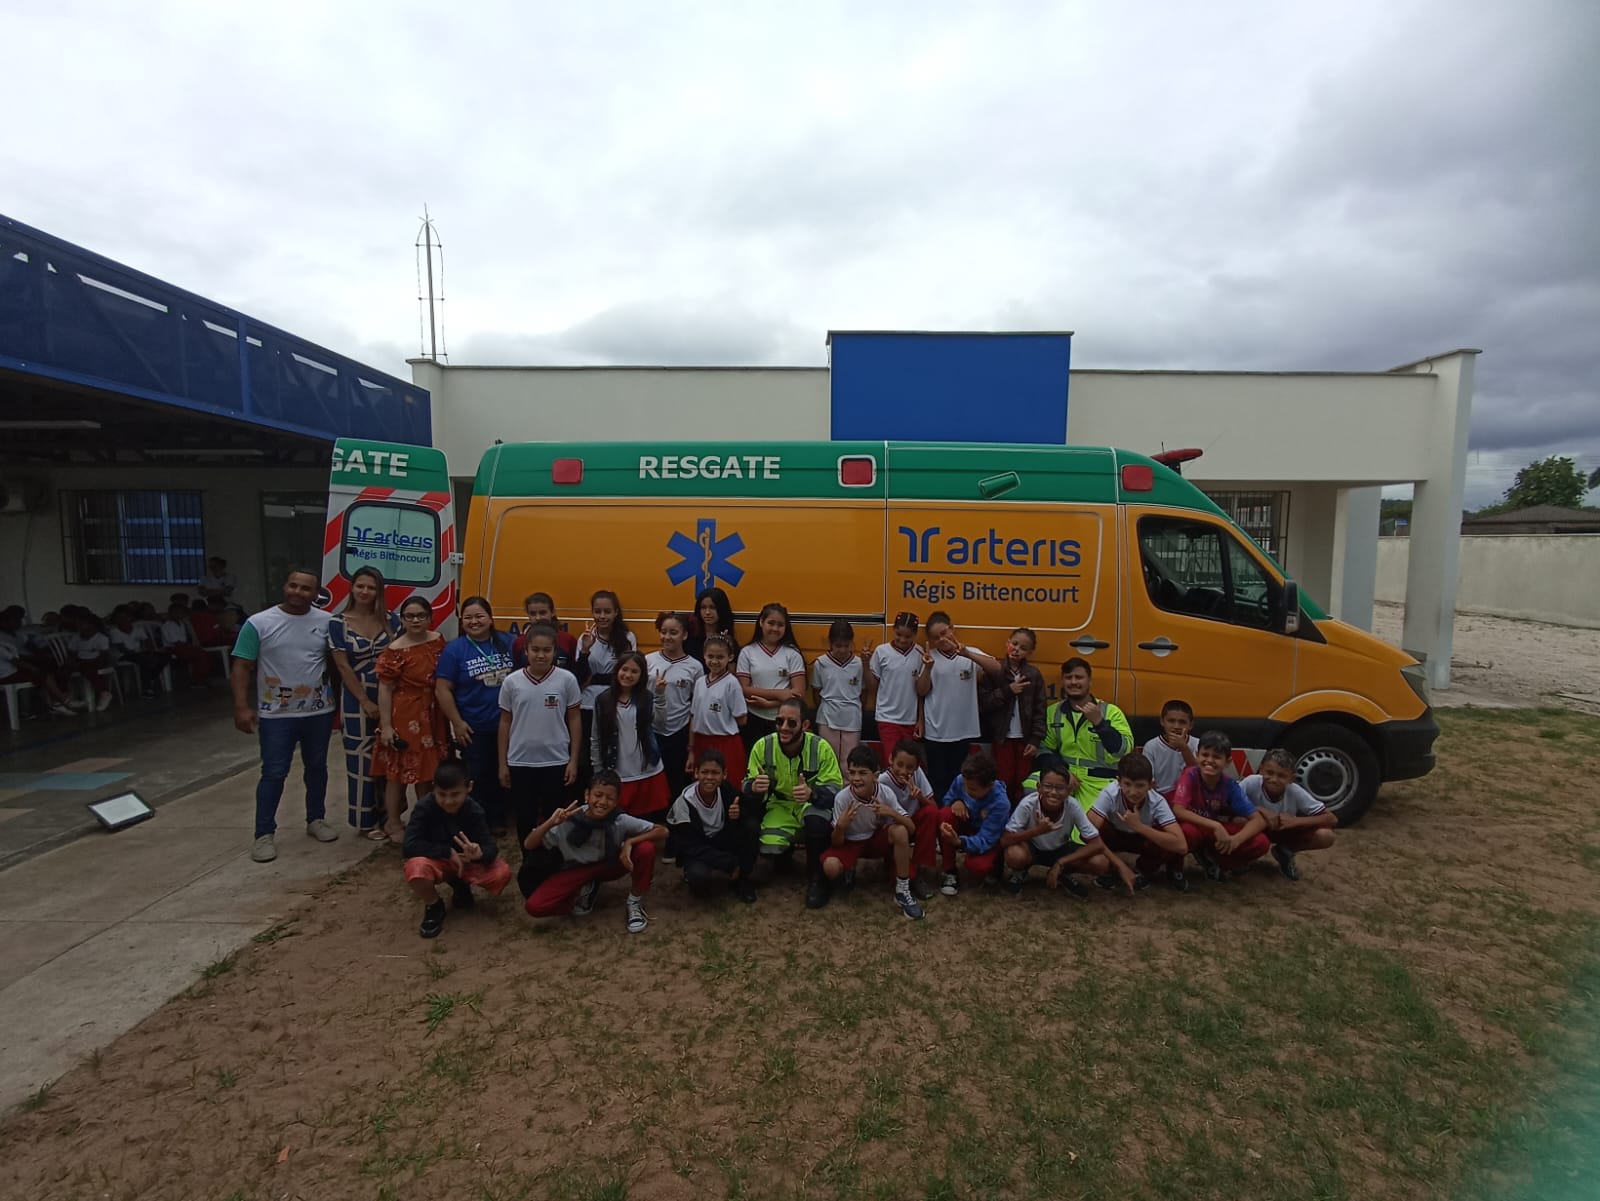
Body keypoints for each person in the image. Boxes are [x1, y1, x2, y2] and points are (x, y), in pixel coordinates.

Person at [230, 568, 340, 863]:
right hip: (276, 715)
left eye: (305, 588)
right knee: (274, 772)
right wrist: (241, 707)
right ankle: (264, 834)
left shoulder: (328, 622)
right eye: (293, 586)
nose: (298, 592)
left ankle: (316, 819)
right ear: (285, 586)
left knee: (316, 767)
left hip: (318, 711)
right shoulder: (259, 623)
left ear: (315, 594)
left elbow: (335, 665)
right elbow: (241, 666)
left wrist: (340, 704)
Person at [520, 770, 666, 934]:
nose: (602, 802)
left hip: (609, 864)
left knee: (645, 848)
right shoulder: (569, 818)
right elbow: (529, 844)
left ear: (617, 801)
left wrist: (629, 842)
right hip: (576, 869)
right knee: (535, 906)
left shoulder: (619, 819)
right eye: (598, 795)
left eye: (609, 798)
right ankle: (582, 892)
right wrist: (550, 823)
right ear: (587, 795)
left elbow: (662, 831)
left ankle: (634, 902)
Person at [743, 696, 843, 909]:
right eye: (779, 721)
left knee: (817, 822)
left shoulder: (821, 747)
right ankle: (783, 856)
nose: (784, 728)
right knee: (769, 847)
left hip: (810, 805)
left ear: (805, 725)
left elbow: (835, 789)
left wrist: (812, 793)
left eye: (791, 723)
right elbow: (746, 784)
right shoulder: (763, 746)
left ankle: (818, 879)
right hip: (778, 805)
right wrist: (754, 788)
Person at [435, 596, 519, 835]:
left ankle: (504, 817)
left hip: (510, 724)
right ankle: (482, 823)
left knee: (507, 772)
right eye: (468, 617)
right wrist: (457, 722)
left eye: (479, 616)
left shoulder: (509, 642)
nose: (474, 621)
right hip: (474, 726)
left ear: (490, 618)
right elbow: (442, 689)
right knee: (480, 775)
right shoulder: (454, 650)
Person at [402, 760, 513, 939]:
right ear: (433, 788)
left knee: (502, 873)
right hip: (438, 861)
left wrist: (479, 853)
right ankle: (433, 905)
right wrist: (447, 852)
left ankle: (461, 885)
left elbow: (490, 847)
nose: (448, 801)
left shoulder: (475, 810)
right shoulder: (424, 807)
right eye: (442, 794)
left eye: (455, 794)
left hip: (467, 863)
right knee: (415, 867)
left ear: (469, 787)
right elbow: (409, 845)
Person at [326, 566, 399, 834]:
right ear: (352, 588)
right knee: (360, 758)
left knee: (389, 755)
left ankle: (390, 816)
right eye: (360, 586)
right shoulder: (338, 623)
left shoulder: (392, 620)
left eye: (371, 587)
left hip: (390, 695)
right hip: (356, 697)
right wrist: (365, 702)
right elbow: (342, 666)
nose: (365, 592)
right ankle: (364, 822)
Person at [497, 623, 583, 845]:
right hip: (520, 761)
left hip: (556, 760)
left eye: (547, 650)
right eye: (535, 649)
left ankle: (553, 859)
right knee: (524, 816)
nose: (541, 655)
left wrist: (573, 760)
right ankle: (529, 859)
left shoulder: (567, 680)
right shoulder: (512, 682)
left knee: (555, 817)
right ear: (526, 651)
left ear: (555, 652)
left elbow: (574, 720)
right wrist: (503, 763)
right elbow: (505, 722)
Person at [822, 745, 925, 920]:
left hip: (876, 839)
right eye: (852, 773)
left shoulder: (885, 793)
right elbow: (836, 842)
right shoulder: (842, 798)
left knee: (900, 830)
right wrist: (840, 827)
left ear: (875, 776)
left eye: (862, 773)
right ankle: (848, 871)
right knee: (830, 867)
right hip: (851, 842)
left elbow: (911, 828)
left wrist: (891, 812)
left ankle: (902, 890)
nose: (856, 778)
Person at [375, 596, 448, 843]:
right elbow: (385, 689)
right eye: (410, 616)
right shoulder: (395, 650)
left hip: (434, 712)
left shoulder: (438, 640)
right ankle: (393, 821)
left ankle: (424, 820)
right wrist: (386, 726)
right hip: (405, 715)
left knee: (428, 771)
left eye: (421, 615)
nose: (416, 620)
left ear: (429, 618)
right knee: (398, 772)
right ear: (402, 619)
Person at [1001, 763, 1134, 897]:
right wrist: (1037, 831)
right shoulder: (1028, 804)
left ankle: (1062, 873)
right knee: (1014, 854)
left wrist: (1061, 862)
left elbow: (1096, 844)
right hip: (1032, 848)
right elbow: (1005, 840)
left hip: (1061, 849)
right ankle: (1020, 872)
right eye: (1048, 786)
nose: (1053, 792)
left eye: (1060, 788)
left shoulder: (1072, 805)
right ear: (1038, 787)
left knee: (1100, 863)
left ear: (1069, 790)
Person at [918, 612, 1002, 802]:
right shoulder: (929, 657)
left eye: (944, 633)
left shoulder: (968, 652)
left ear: (952, 628)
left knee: (960, 781)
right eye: (936, 637)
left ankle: (956, 816)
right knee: (938, 782)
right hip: (936, 732)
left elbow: (997, 669)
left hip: (963, 731)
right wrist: (928, 668)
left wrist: (968, 654)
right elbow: (921, 690)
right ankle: (940, 816)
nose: (942, 639)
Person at [1034, 657, 1132, 812]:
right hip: (1063, 776)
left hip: (1098, 781)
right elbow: (1043, 750)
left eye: (1079, 677)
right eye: (1069, 677)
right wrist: (1062, 772)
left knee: (1084, 825)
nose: (1073, 682)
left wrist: (1099, 723)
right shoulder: (1053, 712)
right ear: (1063, 681)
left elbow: (1123, 750)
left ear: (1089, 681)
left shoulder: (1111, 712)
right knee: (1030, 785)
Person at [1170, 731, 1271, 880]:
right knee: (1187, 833)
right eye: (1205, 755)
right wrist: (1216, 826)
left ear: (1228, 761)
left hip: (1214, 832)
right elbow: (1178, 810)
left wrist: (1236, 840)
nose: (1209, 761)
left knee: (1261, 842)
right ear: (1197, 755)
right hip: (1194, 826)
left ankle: (1217, 862)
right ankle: (1174, 868)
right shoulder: (1190, 775)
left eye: (1216, 757)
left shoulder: (1229, 785)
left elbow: (1258, 820)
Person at [665, 748, 760, 902]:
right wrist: (730, 863)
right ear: (696, 773)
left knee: (751, 827)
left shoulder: (726, 789)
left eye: (715, 773)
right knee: (698, 878)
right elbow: (690, 846)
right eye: (704, 772)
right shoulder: (684, 803)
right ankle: (701, 875)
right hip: (698, 847)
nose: (709, 777)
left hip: (721, 839)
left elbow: (749, 810)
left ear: (724, 774)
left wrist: (739, 814)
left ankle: (742, 880)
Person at [1087, 751, 1191, 891]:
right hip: (1115, 835)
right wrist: (1119, 864)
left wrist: (1139, 826)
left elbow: (1181, 846)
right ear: (1118, 782)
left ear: (1151, 784)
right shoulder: (1110, 794)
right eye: (1127, 784)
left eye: (1140, 785)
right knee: (1097, 828)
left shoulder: (1158, 802)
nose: (1133, 791)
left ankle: (1142, 871)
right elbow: (1087, 832)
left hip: (1141, 839)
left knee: (1166, 837)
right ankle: (1109, 869)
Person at [590, 650, 669, 818]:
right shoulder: (603, 700)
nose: (628, 675)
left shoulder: (647, 697)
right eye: (624, 669)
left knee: (645, 819)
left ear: (641, 675)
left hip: (646, 767)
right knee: (618, 819)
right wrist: (598, 769)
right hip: (617, 769)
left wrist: (660, 696)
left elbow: (660, 724)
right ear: (617, 670)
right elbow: (596, 738)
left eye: (634, 671)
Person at [1243, 748, 1338, 880]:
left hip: (1284, 830)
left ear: (1291, 778)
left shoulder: (1295, 792)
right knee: (1239, 819)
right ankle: (1244, 856)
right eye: (1269, 773)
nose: (1274, 779)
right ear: (1261, 770)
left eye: (1282, 776)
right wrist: (1259, 810)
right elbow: (1228, 804)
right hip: (1256, 829)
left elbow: (1331, 818)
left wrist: (1295, 821)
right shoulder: (1251, 782)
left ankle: (1285, 851)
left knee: (1326, 836)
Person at [573, 590, 637, 790]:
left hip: (615, 701)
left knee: (613, 752)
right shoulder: (585, 638)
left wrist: (599, 678)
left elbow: (630, 671)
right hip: (588, 703)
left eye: (607, 611)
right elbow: (579, 677)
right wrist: (585, 651)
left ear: (616, 612)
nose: (602, 616)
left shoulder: (627, 638)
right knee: (588, 755)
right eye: (597, 611)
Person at [977, 626, 1047, 800]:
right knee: (1003, 779)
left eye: (1023, 648)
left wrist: (1036, 739)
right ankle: (1003, 812)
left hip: (1025, 739)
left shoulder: (1033, 674)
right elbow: (985, 703)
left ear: (1029, 653)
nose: (1016, 650)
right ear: (1007, 643)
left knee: (1023, 781)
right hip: (1002, 738)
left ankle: (1022, 813)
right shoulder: (995, 671)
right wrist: (1008, 690)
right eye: (1014, 644)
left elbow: (1040, 709)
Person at [934, 751, 1011, 895]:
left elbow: (986, 839)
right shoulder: (962, 780)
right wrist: (956, 801)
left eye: (973, 789)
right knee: (945, 814)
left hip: (986, 835)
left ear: (990, 786)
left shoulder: (1000, 803)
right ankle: (949, 871)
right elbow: (947, 799)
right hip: (967, 824)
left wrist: (960, 842)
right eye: (965, 786)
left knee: (978, 867)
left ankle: (995, 865)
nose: (967, 791)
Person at [647, 611, 703, 799]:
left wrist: (691, 747)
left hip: (679, 731)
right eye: (663, 632)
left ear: (684, 635)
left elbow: (695, 708)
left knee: (675, 783)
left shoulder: (695, 667)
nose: (667, 637)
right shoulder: (648, 661)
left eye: (673, 632)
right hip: (651, 730)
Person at [876, 739, 940, 899]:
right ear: (890, 760)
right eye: (899, 764)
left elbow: (934, 806)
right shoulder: (881, 782)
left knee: (931, 812)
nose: (903, 771)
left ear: (917, 767)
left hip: (913, 825)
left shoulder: (918, 775)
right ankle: (907, 872)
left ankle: (919, 865)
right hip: (894, 831)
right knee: (904, 874)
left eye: (910, 767)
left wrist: (920, 797)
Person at [737, 602, 806, 749]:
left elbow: (799, 693)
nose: (775, 628)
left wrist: (769, 704)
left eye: (780, 625)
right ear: (761, 622)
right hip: (753, 718)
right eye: (771, 623)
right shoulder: (747, 652)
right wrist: (780, 694)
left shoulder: (792, 653)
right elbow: (744, 689)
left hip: (784, 721)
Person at [688, 634, 748, 787]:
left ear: (730, 657)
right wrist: (691, 750)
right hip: (701, 742)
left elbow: (742, 719)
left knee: (728, 785)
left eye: (720, 657)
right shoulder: (700, 682)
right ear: (704, 656)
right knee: (703, 787)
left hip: (725, 743)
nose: (714, 661)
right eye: (710, 656)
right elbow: (694, 717)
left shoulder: (732, 684)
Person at [867, 612, 925, 765]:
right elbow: (872, 685)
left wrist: (920, 719)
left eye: (908, 636)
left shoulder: (920, 653)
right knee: (892, 761)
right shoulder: (881, 651)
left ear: (915, 634)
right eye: (899, 635)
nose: (902, 640)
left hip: (910, 719)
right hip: (887, 717)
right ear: (893, 629)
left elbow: (921, 692)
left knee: (909, 763)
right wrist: (865, 663)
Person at [811, 618, 868, 760]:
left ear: (852, 643)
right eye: (838, 646)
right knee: (828, 758)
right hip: (827, 716)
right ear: (830, 643)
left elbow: (864, 692)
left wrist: (856, 709)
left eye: (846, 646)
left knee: (849, 759)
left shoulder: (859, 664)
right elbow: (816, 691)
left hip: (852, 717)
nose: (842, 650)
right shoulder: (821, 663)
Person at [0, 608, 74, 717]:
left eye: (20, 619)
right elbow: (15, 659)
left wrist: (43, 654)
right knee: (42, 672)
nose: (19, 622)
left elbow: (32, 647)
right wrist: (33, 664)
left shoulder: (19, 634)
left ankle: (56, 700)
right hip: (12, 668)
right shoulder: (2, 639)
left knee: (56, 665)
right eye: (15, 619)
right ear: (4, 622)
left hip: (24, 661)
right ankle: (61, 700)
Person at [108, 608, 170, 699]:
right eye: (119, 618)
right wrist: (142, 654)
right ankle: (146, 689)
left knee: (165, 656)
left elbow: (147, 642)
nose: (123, 620)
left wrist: (151, 652)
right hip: (124, 655)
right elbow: (122, 648)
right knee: (145, 659)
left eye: (125, 617)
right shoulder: (114, 631)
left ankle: (151, 676)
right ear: (115, 620)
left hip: (139, 653)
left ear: (130, 618)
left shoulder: (138, 629)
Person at [1142, 699, 1198, 795]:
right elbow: (1148, 781)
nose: (1176, 726)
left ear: (1190, 725)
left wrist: (1184, 748)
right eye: (1171, 721)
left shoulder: (1198, 744)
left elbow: (1199, 777)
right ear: (1162, 722)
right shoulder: (1151, 746)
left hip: (1190, 796)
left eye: (1182, 722)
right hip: (1160, 796)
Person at [512, 592, 577, 670]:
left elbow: (576, 672)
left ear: (552, 612)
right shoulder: (519, 642)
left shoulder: (568, 640)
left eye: (542, 613)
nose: (538, 618)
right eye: (533, 614)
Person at [159, 602, 213, 686]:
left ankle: (200, 678)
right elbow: (174, 641)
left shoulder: (182, 624)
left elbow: (185, 639)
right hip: (173, 648)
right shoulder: (167, 625)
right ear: (171, 613)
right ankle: (197, 680)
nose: (179, 614)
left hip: (184, 646)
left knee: (204, 655)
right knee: (200, 655)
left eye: (181, 612)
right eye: (177, 612)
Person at [69, 614, 115, 710]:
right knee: (63, 670)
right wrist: (73, 661)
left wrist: (89, 661)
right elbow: (72, 653)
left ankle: (104, 693)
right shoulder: (76, 638)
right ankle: (67, 699)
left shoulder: (101, 638)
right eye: (78, 625)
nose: (79, 627)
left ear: (92, 625)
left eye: (82, 624)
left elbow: (104, 655)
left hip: (96, 660)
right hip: (80, 660)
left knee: (87, 669)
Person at [687, 586, 738, 664]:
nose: (707, 612)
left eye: (712, 607)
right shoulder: (690, 639)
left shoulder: (729, 641)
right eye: (703, 607)